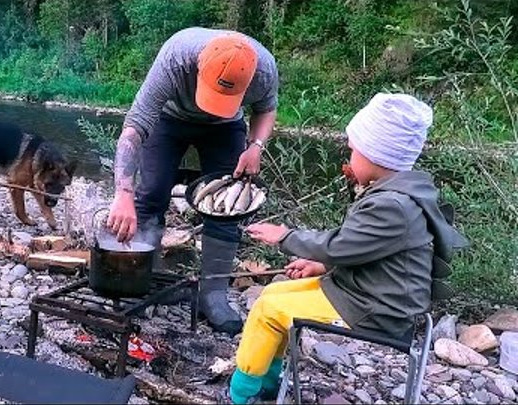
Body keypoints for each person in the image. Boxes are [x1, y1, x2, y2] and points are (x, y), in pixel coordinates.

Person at [227, 93, 468, 403]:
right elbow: (366, 248)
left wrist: (285, 237)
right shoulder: (398, 192)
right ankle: (269, 384)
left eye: (354, 150)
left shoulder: (392, 206)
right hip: (369, 292)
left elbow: (341, 246)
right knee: (272, 295)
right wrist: (323, 266)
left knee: (269, 310)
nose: (350, 156)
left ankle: (241, 394)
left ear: (375, 155)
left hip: (377, 311)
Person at [106, 27, 279, 336]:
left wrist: (256, 147)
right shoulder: (176, 57)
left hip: (226, 128)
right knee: (150, 194)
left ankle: (212, 294)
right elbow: (134, 128)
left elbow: (266, 109)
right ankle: (146, 278)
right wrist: (122, 192)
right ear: (198, 68)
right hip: (169, 121)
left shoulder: (263, 69)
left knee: (226, 207)